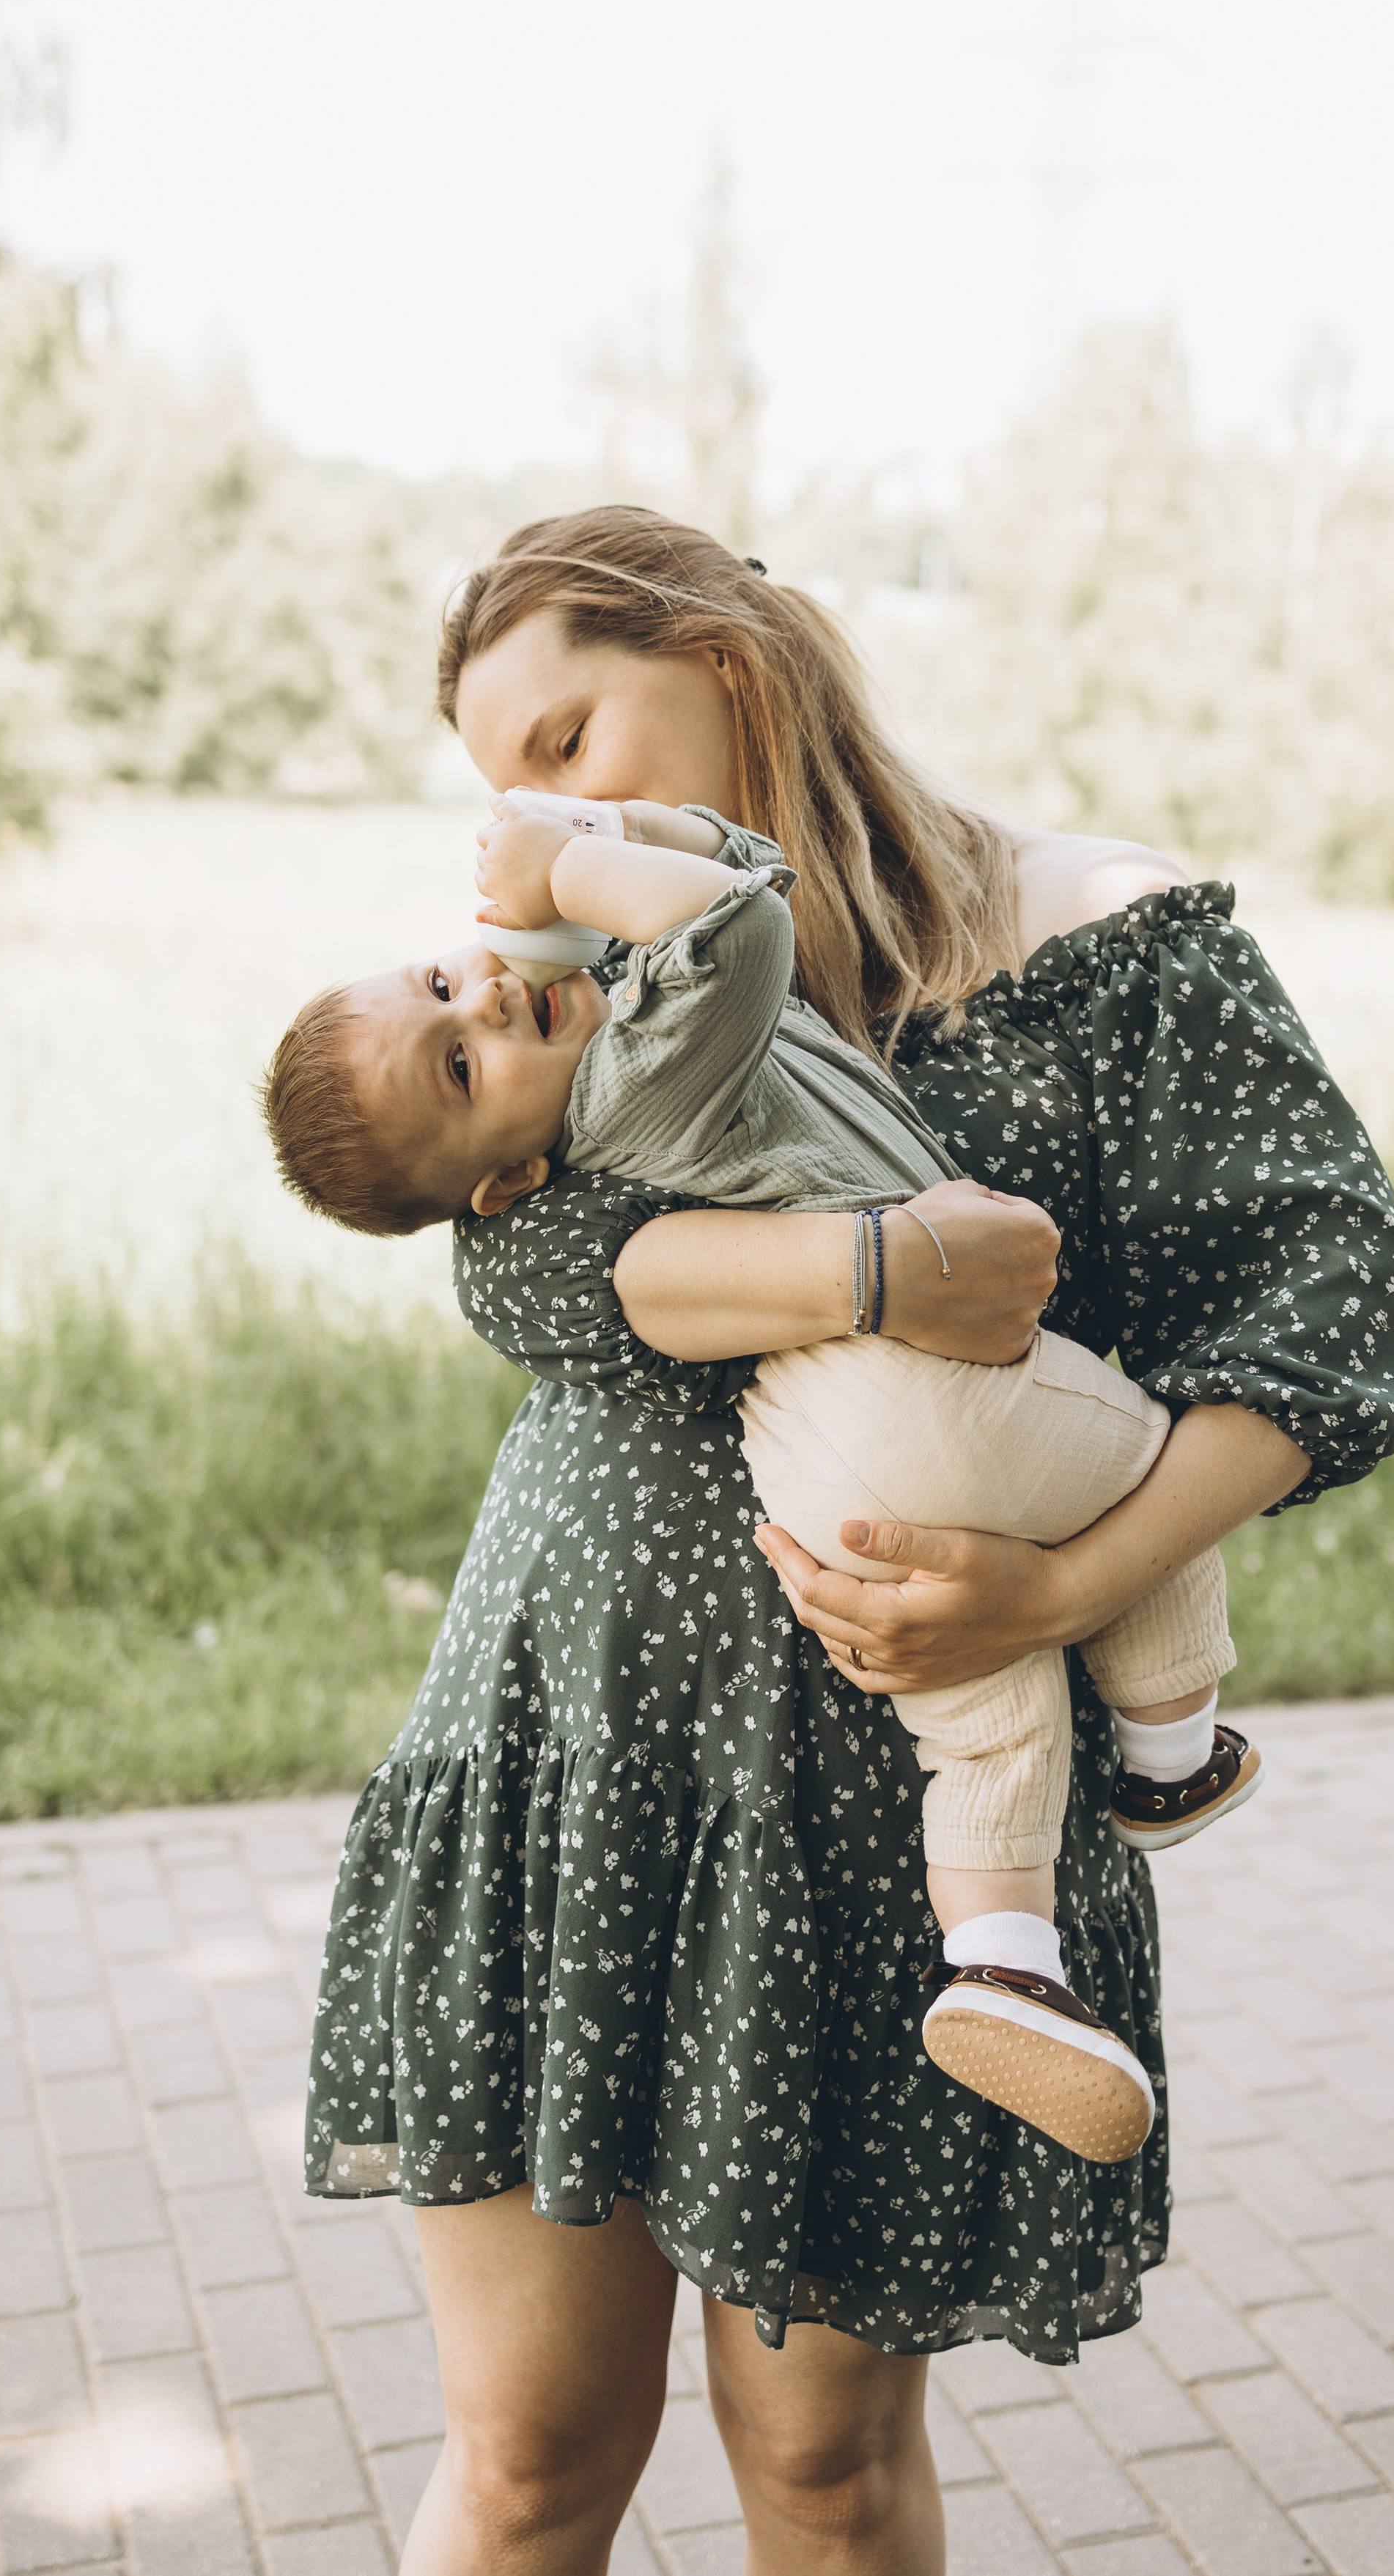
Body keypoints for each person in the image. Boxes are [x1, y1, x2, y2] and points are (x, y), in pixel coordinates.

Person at [297, 507, 1394, 2576]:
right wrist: (885, 1266)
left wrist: (1074, 1589)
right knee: (537, 2457)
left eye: (570, 734)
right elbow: (527, 1281)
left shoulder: (1114, 935)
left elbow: (1334, 1310)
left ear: (727, 656)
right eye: (506, 786)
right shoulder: (587, 967)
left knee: (821, 2472)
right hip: (572, 1768)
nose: (538, 819)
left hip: (870, 1843)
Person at [262, 804, 1262, 2166]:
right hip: (924, 1390)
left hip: (820, 1473)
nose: (485, 994)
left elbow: (736, 873)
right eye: (458, 1059)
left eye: (444, 981)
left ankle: (1003, 1964)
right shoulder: (637, 1074)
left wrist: (599, 865)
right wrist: (574, 862)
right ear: (502, 1179)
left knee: (985, 1716)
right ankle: (1168, 1749)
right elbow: (742, 921)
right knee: (1144, 1464)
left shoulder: (577, 1140)